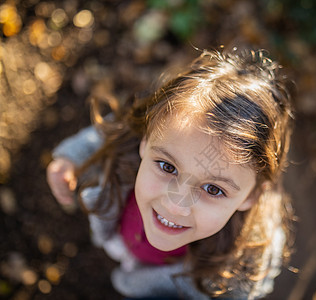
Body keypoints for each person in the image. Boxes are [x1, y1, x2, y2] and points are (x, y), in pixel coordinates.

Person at [47, 49, 295, 299]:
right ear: (144, 141)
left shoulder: (238, 269)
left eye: (213, 189)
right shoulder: (129, 148)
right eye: (168, 167)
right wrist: (71, 158)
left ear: (250, 197)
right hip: (124, 240)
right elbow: (107, 135)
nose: (176, 205)